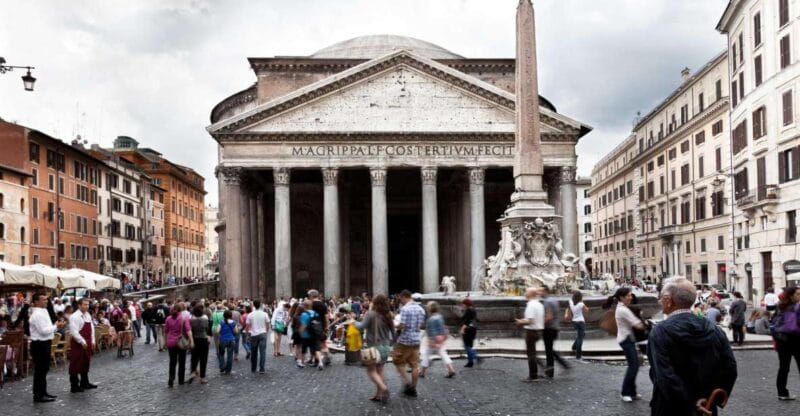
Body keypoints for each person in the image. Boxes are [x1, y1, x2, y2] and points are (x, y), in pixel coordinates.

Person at [648, 277, 737, 415]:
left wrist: (690, 404)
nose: (660, 302)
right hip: (706, 406)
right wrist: (711, 399)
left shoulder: (660, 331)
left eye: (661, 298)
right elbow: (729, 368)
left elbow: (665, 376)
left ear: (668, 299)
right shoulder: (714, 329)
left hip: (671, 408)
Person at [603, 287, 645, 402]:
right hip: (625, 340)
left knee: (634, 365)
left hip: (628, 339)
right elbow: (637, 324)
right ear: (622, 297)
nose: (631, 297)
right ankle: (625, 392)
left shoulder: (623, 308)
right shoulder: (623, 310)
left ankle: (632, 392)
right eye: (629, 295)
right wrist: (644, 322)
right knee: (633, 366)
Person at [352, 294, 395, 403]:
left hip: (375, 347)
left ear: (375, 303)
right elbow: (394, 333)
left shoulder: (371, 314)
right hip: (386, 347)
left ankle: (384, 388)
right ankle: (379, 395)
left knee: (371, 371)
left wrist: (353, 321)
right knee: (379, 370)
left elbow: (361, 326)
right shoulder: (389, 314)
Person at [29, 293, 63, 403]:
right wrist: (56, 326)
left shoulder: (44, 311)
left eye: (46, 299)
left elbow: (48, 328)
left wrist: (56, 327)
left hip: (45, 343)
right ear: (36, 302)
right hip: (39, 344)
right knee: (40, 370)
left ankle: (43, 392)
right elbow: (43, 331)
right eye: (43, 299)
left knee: (44, 369)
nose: (46, 301)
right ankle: (38, 395)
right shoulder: (37, 314)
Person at [393, 290, 426, 397]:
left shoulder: (405, 309)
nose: (400, 301)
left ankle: (407, 383)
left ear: (404, 297)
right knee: (414, 365)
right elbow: (421, 325)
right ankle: (413, 388)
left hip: (405, 340)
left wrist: (396, 325)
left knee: (397, 361)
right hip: (416, 339)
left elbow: (402, 326)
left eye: (400, 299)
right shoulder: (421, 309)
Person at [773, 286, 800, 401]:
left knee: (783, 368)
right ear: (791, 295)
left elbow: (775, 323)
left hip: (782, 341)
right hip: (795, 340)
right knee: (785, 368)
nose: (799, 296)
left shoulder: (780, 306)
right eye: (798, 294)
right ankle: (782, 392)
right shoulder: (797, 307)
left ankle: (782, 392)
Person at [419, 301, 455, 378]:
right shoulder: (440, 316)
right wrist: (443, 337)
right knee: (443, 354)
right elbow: (442, 327)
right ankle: (451, 369)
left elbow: (431, 331)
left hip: (433, 339)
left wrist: (431, 340)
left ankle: (422, 372)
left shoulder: (431, 319)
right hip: (440, 338)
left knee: (426, 355)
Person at [68, 298, 97, 393]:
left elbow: (92, 328)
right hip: (78, 343)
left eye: (87, 304)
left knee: (85, 362)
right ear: (79, 305)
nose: (86, 306)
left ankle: (85, 382)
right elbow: (74, 332)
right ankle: (74, 385)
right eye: (84, 304)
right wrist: (82, 341)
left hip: (87, 342)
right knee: (76, 364)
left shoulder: (87, 315)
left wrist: (93, 340)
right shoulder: (74, 316)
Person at [515, 287, 544, 382]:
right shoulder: (539, 304)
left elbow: (530, 321)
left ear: (530, 294)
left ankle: (533, 375)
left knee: (530, 354)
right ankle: (540, 368)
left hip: (531, 332)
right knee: (532, 353)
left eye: (526, 292)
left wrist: (520, 322)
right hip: (539, 330)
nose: (525, 293)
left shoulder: (531, 305)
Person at [541, 286, 570, 377]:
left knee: (549, 350)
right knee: (550, 350)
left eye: (541, 291)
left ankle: (552, 369)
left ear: (545, 291)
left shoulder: (547, 302)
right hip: (555, 328)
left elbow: (549, 316)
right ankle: (558, 366)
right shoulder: (554, 300)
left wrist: (539, 324)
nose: (539, 293)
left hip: (549, 328)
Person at [164, 303, 193, 387]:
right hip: (181, 342)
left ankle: (171, 380)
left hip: (171, 342)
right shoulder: (184, 318)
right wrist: (191, 341)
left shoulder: (168, 319)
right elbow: (188, 330)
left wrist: (166, 342)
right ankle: (180, 380)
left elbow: (166, 332)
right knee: (182, 362)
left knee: (172, 362)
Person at [299, 299, 324, 371]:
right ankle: (320, 362)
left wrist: (300, 333)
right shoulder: (316, 313)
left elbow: (303, 325)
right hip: (315, 334)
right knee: (317, 349)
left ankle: (302, 362)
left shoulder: (304, 314)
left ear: (304, 306)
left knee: (303, 349)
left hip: (306, 335)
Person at [246, 300, 270, 373]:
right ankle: (262, 369)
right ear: (260, 305)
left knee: (254, 352)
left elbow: (247, 326)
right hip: (263, 333)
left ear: (253, 305)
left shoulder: (250, 314)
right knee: (262, 352)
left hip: (254, 335)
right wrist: (266, 331)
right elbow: (268, 324)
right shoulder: (264, 314)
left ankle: (253, 368)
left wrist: (247, 335)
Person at [308, 289, 331, 366]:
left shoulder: (311, 304)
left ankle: (316, 360)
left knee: (314, 344)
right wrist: (327, 326)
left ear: (311, 296)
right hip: (322, 326)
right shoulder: (323, 304)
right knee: (323, 342)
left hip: (313, 326)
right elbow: (326, 316)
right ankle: (327, 357)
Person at [188, 304, 210, 384]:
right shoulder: (205, 319)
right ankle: (202, 377)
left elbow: (190, 330)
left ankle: (193, 371)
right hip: (203, 339)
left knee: (194, 357)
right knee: (203, 359)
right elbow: (207, 329)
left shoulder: (191, 320)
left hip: (194, 339)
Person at [567, 290, 589, 360]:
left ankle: (574, 347)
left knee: (582, 334)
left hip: (574, 322)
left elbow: (569, 308)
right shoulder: (581, 304)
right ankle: (578, 355)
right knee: (580, 338)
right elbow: (587, 310)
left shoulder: (570, 302)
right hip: (581, 321)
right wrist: (582, 302)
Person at [215, 309, 237, 375]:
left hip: (223, 340)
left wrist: (221, 333)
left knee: (221, 354)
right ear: (231, 315)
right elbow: (236, 331)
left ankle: (222, 367)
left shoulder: (221, 322)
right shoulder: (233, 322)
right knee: (230, 356)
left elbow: (217, 331)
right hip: (231, 340)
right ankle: (228, 370)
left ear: (224, 315)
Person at [459, 298, 481, 368]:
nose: (462, 305)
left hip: (468, 330)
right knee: (469, 346)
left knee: (467, 346)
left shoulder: (469, 310)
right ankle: (471, 361)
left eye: (463, 304)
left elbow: (467, 321)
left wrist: (462, 328)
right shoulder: (473, 309)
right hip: (473, 329)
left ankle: (475, 358)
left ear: (466, 304)